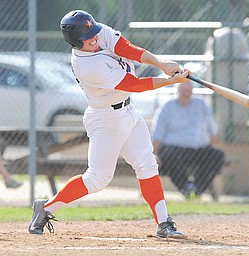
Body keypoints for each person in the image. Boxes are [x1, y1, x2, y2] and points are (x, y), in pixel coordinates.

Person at [28, 10, 190, 238]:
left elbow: (127, 48)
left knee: (147, 165)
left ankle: (164, 223)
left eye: (94, 33)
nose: (95, 38)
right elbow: (133, 84)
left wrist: (160, 63)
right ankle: (45, 208)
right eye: (88, 38)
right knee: (97, 179)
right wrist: (171, 80)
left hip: (128, 112)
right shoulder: (87, 66)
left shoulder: (94, 30)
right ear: (75, 42)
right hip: (105, 119)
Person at [151, 81, 225, 198]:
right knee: (168, 154)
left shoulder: (201, 103)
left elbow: (212, 130)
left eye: (188, 90)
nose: (186, 94)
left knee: (217, 155)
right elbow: (157, 133)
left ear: (192, 91)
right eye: (183, 91)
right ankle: (185, 187)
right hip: (175, 150)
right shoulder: (167, 106)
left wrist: (213, 144)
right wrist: (154, 154)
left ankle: (197, 189)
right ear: (178, 91)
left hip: (199, 149)